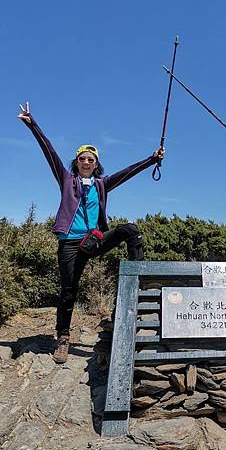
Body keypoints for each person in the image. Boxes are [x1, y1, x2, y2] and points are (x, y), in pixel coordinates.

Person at [18, 101, 164, 364]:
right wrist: (33, 124)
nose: (86, 161)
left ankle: (141, 275)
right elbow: (48, 151)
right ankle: (62, 338)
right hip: (70, 243)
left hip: (93, 241)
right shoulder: (66, 179)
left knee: (129, 230)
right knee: (68, 291)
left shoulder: (102, 184)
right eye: (82, 158)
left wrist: (152, 159)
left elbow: (128, 172)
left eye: (91, 159)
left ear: (96, 164)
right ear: (77, 162)